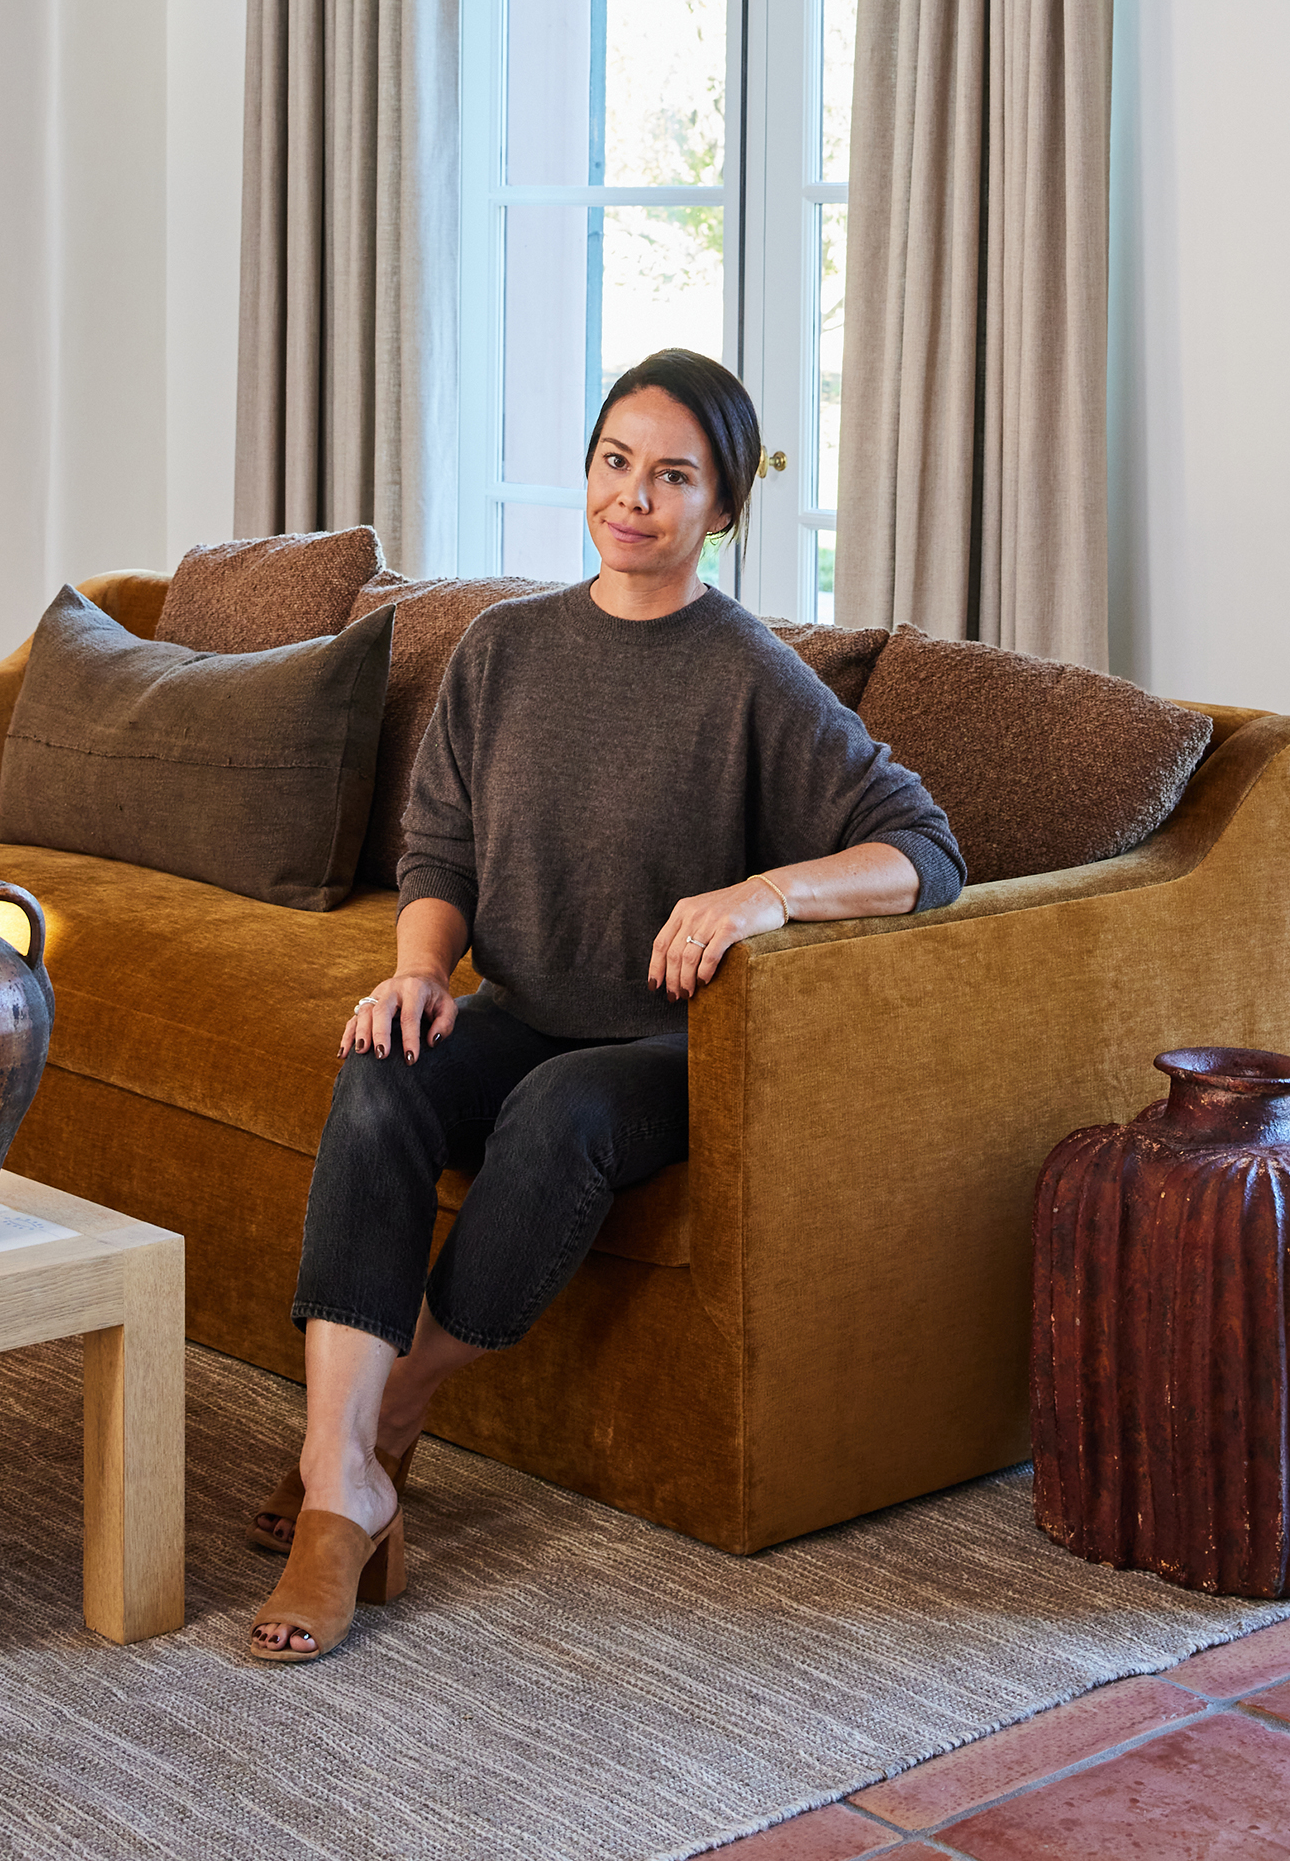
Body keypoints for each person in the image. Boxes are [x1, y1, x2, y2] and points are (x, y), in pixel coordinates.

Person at [248, 349, 964, 1662]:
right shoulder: (504, 647)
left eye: (674, 476)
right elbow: (440, 852)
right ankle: (338, 1461)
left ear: (724, 510)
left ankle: (373, 1442)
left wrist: (761, 896)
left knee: (564, 1109)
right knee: (379, 1070)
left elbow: (924, 849)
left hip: (663, 1046)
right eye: (615, 463)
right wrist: (416, 974)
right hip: (522, 999)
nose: (634, 498)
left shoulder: (748, 672)